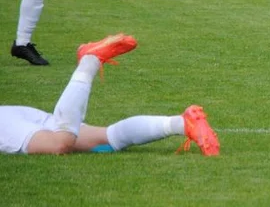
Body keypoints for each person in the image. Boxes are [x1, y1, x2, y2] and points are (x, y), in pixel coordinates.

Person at [0, 33, 220, 155]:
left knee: (60, 142)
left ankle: (89, 61)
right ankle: (183, 123)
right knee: (107, 140)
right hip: (11, 114)